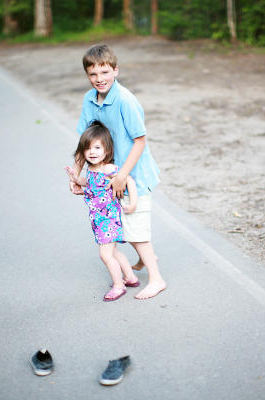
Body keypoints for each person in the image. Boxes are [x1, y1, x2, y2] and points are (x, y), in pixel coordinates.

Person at [68, 44, 166, 299]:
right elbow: (84, 142)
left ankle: (156, 279)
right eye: (93, 74)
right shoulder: (90, 99)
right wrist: (78, 177)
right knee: (123, 223)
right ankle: (147, 257)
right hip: (111, 177)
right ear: (87, 75)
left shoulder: (125, 100)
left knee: (136, 227)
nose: (99, 79)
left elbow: (140, 140)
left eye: (104, 72)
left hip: (134, 175)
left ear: (115, 70)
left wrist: (123, 175)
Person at [66, 121, 140, 302]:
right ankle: (130, 277)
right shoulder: (91, 169)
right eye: (88, 149)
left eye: (97, 147)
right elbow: (89, 184)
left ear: (107, 150)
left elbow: (128, 180)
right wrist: (76, 179)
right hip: (98, 219)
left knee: (105, 254)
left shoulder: (108, 169)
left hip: (108, 218)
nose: (92, 152)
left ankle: (118, 286)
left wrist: (133, 203)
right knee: (113, 252)